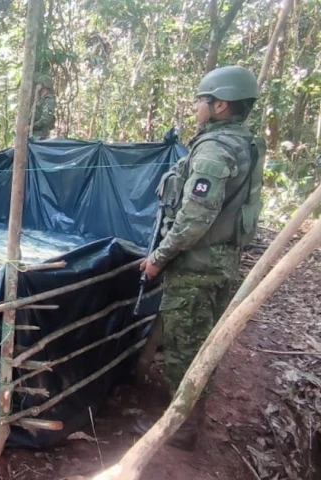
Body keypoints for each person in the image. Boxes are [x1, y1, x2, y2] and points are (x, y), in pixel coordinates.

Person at [135, 65, 265, 450]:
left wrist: (158, 257)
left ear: (220, 105)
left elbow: (195, 216)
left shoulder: (213, 151)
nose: (196, 108)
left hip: (197, 266)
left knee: (184, 349)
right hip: (221, 261)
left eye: (201, 101)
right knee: (200, 343)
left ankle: (181, 430)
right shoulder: (246, 143)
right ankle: (188, 416)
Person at [31, 73, 55, 140]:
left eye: (39, 84)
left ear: (44, 85)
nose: (37, 86)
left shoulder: (48, 100)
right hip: (34, 133)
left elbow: (45, 119)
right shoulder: (40, 99)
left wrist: (32, 127)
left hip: (40, 134)